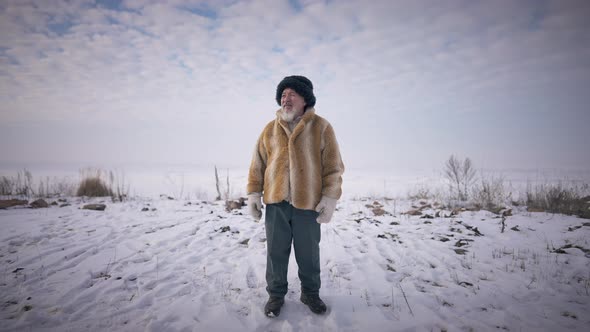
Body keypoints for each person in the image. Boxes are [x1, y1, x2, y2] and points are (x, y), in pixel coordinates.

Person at [247, 75, 345, 317]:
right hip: (276, 204)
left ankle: (310, 293)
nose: (285, 98)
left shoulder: (321, 127)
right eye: (282, 95)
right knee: (275, 252)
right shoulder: (270, 129)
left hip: (308, 204)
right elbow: (257, 164)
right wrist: (253, 194)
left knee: (308, 252)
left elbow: (333, 167)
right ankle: (275, 295)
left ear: (305, 99)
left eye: (291, 94)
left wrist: (330, 199)